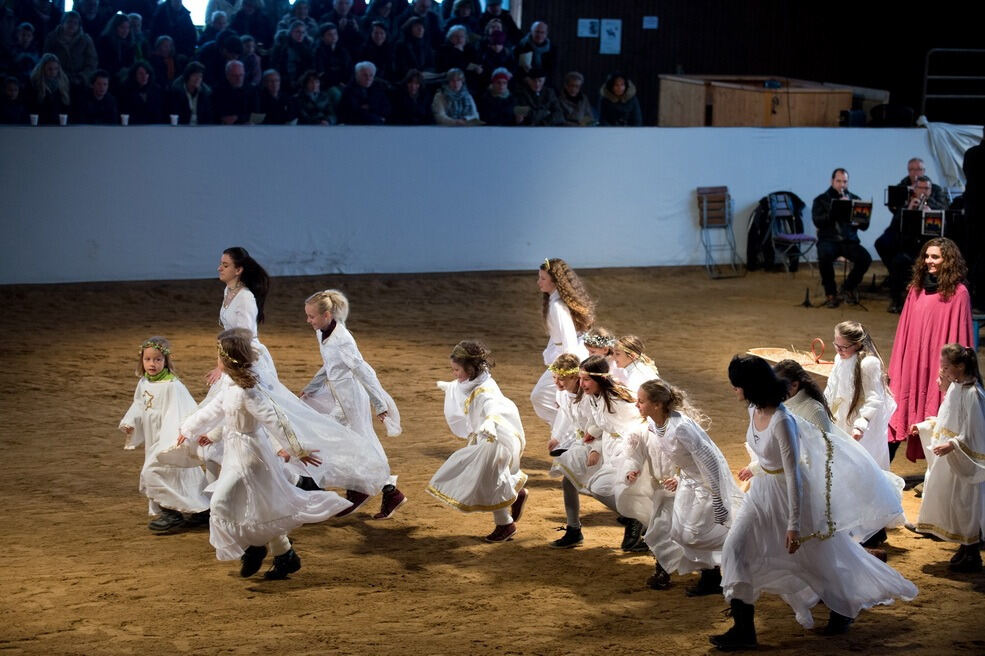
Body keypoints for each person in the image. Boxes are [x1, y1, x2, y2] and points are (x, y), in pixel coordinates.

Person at [712, 355, 917, 649]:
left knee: (817, 560)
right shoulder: (754, 409)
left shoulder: (782, 421)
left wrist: (794, 525)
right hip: (761, 493)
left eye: (737, 385)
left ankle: (843, 608)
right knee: (734, 548)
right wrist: (756, 470)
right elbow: (766, 457)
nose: (734, 390)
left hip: (791, 497)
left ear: (751, 386)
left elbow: (794, 475)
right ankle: (744, 630)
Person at [177, 328, 351, 580]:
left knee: (220, 503)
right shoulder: (230, 385)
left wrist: (297, 449)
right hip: (235, 453)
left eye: (218, 356)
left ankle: (254, 546)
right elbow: (214, 410)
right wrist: (188, 429)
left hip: (250, 456)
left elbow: (276, 421)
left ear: (228, 359)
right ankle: (285, 555)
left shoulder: (249, 393)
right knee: (261, 508)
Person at [775, 359, 906, 555]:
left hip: (816, 470)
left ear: (794, 385)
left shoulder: (812, 409)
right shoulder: (784, 404)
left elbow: (823, 446)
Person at [624, 379, 743, 594]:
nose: (636, 404)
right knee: (679, 532)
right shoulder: (654, 424)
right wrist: (679, 478)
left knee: (694, 534)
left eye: (641, 401)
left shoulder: (681, 428)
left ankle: (739, 546)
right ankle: (711, 577)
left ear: (657, 404)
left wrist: (718, 498)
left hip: (705, 484)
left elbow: (711, 461)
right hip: (688, 481)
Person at [300, 289, 407, 520]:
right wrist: (311, 387)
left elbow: (363, 371)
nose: (308, 320)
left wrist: (379, 404)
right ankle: (368, 489)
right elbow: (329, 365)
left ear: (327, 315)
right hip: (338, 395)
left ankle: (384, 491)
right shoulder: (322, 332)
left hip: (351, 399)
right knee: (351, 443)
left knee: (358, 443)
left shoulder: (342, 340)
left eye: (312, 316)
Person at [427, 341, 528, 542]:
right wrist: (448, 387)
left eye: (457, 370)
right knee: (491, 478)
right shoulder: (473, 381)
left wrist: (490, 421)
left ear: (471, 368)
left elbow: (492, 406)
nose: (454, 374)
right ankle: (515, 492)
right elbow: (459, 387)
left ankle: (505, 524)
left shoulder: (485, 389)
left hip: (495, 438)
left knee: (487, 480)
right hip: (483, 437)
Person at [888, 238, 974, 462]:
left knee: (935, 417)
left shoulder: (959, 293)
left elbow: (960, 336)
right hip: (913, 362)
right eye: (926, 256)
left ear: (948, 260)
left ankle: (935, 473)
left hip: (937, 363)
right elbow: (904, 331)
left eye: (935, 257)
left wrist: (951, 371)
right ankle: (882, 471)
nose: (929, 261)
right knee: (899, 411)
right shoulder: (916, 290)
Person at [119, 337, 209, 533]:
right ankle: (202, 509)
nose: (152, 364)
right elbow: (139, 404)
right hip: (153, 436)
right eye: (148, 359)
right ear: (141, 360)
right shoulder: (144, 382)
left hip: (168, 436)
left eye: (158, 359)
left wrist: (178, 436)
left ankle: (171, 513)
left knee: (154, 471)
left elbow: (182, 410)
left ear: (166, 360)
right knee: (177, 474)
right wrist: (130, 421)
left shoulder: (172, 385)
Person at [914, 344, 985, 572]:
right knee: (952, 501)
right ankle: (964, 547)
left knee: (966, 503)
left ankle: (972, 552)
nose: (942, 371)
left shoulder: (973, 394)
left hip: (963, 459)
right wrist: (928, 425)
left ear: (960, 366)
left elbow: (975, 431)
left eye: (945, 367)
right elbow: (950, 418)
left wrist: (952, 444)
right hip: (950, 458)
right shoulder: (956, 387)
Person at [578, 355, 650, 552]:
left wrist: (636, 453)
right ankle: (636, 518)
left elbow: (643, 420)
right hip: (612, 446)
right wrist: (594, 436)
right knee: (598, 486)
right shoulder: (593, 397)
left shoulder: (618, 400)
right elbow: (602, 422)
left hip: (628, 448)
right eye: (581, 379)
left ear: (600, 378)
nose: (582, 384)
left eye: (586, 379)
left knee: (602, 486)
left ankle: (636, 519)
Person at [824, 321, 895, 470]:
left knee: (860, 462)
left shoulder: (868, 363)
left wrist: (861, 425)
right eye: (836, 345)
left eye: (844, 347)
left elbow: (874, 398)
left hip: (861, 421)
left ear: (857, 344)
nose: (839, 350)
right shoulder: (839, 359)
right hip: (842, 415)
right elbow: (832, 387)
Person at [530, 258, 593, 425]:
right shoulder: (555, 302)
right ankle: (565, 428)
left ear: (555, 281)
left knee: (541, 395)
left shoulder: (557, 307)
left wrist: (567, 370)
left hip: (568, 359)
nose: (539, 282)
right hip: (564, 356)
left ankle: (567, 429)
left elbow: (568, 341)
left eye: (543, 278)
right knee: (545, 396)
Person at [876, 175, 949, 313]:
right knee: (897, 263)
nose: (923, 191)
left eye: (926, 188)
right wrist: (908, 209)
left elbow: (944, 230)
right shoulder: (906, 205)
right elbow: (895, 228)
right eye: (920, 188)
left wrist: (932, 215)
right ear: (915, 189)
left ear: (930, 190)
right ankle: (896, 301)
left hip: (929, 249)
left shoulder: (938, 206)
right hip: (909, 249)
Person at [811, 168, 872, 308]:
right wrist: (835, 210)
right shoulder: (821, 200)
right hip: (828, 240)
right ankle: (830, 293)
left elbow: (864, 226)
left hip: (849, 241)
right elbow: (817, 221)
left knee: (865, 259)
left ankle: (848, 287)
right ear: (832, 181)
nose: (842, 185)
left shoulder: (855, 199)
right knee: (824, 256)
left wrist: (856, 216)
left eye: (844, 181)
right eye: (838, 181)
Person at [42, 11, 97, 90]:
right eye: (69, 22)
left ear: (79, 26)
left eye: (75, 23)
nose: (72, 25)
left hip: (80, 81)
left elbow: (92, 62)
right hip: (56, 79)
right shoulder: (52, 38)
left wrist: (82, 77)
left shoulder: (86, 40)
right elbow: (46, 59)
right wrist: (56, 75)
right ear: (62, 23)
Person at [269, 19, 315, 94]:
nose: (300, 35)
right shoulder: (281, 45)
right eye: (297, 32)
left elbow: (310, 65)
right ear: (291, 32)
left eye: (303, 32)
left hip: (303, 79)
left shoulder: (307, 46)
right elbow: (275, 64)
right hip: (284, 79)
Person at [337, 59, 389, 124]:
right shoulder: (349, 90)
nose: (368, 78)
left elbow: (386, 108)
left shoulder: (377, 89)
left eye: (371, 75)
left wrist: (370, 107)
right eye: (365, 75)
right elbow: (354, 112)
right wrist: (377, 116)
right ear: (357, 75)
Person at [27, 52, 71, 123]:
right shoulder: (35, 83)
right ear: (43, 68)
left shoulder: (64, 83)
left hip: (58, 123)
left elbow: (66, 106)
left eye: (56, 69)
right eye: (50, 69)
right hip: (40, 123)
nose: (53, 72)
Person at [165, 60, 213, 124]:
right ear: (187, 76)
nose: (197, 78)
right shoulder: (176, 92)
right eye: (194, 75)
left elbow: (208, 116)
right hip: (182, 126)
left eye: (200, 76)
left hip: (200, 127)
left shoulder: (206, 93)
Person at [212, 59, 258, 124]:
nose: (239, 79)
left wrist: (238, 118)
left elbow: (255, 113)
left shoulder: (251, 90)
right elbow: (214, 112)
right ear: (227, 75)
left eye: (241, 75)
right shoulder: (218, 91)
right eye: (235, 76)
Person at [95, 12, 135, 85]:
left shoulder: (130, 43)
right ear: (115, 27)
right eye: (122, 27)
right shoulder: (104, 41)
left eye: (127, 28)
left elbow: (130, 62)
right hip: (107, 77)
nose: (125, 31)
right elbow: (103, 62)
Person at [313, 22, 352, 90]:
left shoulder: (342, 49)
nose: (333, 36)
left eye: (335, 33)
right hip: (328, 84)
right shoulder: (318, 51)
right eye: (329, 34)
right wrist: (338, 83)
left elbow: (348, 67)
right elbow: (321, 72)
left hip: (344, 81)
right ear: (322, 37)